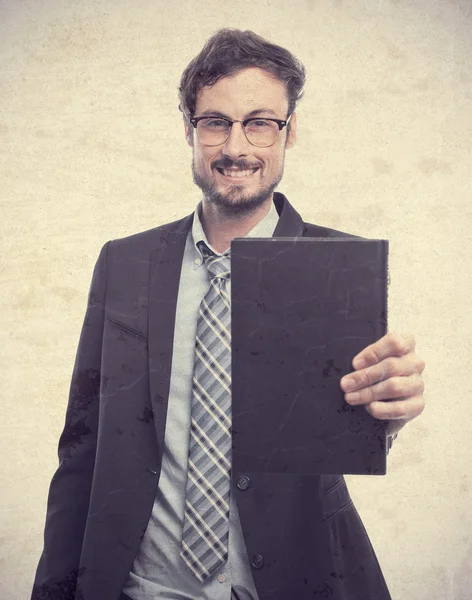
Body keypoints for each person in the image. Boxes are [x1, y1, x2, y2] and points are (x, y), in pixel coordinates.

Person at [31, 28, 425, 600]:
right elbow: (82, 447)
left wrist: (387, 417)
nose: (236, 147)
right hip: (140, 586)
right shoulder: (125, 262)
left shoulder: (339, 268)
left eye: (260, 122)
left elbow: (344, 430)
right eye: (216, 122)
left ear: (290, 134)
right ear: (189, 130)